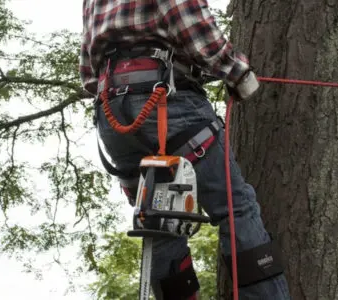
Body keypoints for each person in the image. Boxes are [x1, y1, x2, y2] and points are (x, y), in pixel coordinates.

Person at [79, 0, 292, 299]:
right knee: (235, 206)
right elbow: (191, 23)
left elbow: (88, 71)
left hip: (111, 111)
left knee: (161, 219)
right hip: (164, 104)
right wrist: (238, 74)